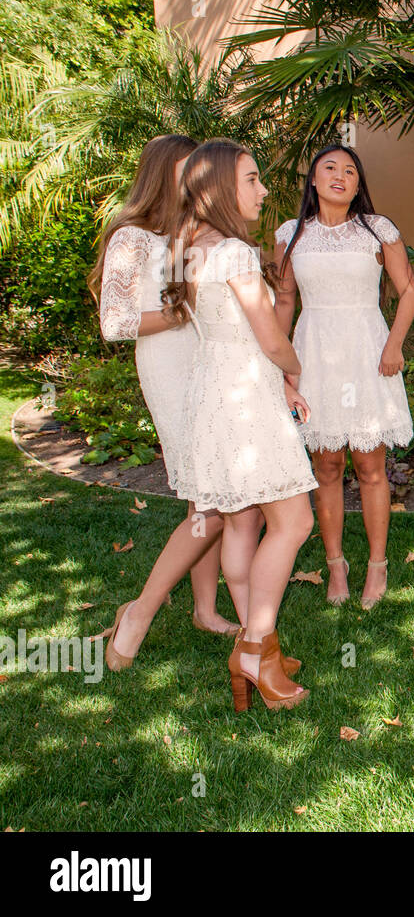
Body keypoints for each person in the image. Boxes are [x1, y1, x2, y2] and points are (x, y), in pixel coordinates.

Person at [168, 138, 318, 711]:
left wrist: (275, 377)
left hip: (215, 395)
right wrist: (294, 371)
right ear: (220, 189)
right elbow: (271, 336)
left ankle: (263, 647)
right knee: (293, 521)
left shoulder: (190, 248)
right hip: (245, 403)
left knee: (239, 522)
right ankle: (255, 647)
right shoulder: (231, 251)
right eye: (252, 180)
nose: (262, 190)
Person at [91, 133, 242, 673]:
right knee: (215, 501)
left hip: (219, 365)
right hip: (171, 367)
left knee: (207, 496)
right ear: (163, 173)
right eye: (190, 170)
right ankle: (140, 611)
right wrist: (186, 310)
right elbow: (116, 323)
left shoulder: (198, 234)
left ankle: (204, 608)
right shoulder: (131, 237)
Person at [272, 144, 414, 610]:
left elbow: (408, 289)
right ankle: (336, 565)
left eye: (350, 170)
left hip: (367, 351)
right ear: (313, 180)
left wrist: (394, 344)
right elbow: (285, 301)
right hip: (314, 353)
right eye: (329, 168)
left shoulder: (378, 229)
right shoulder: (291, 234)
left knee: (371, 467)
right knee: (326, 466)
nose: (340, 176)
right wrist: (281, 368)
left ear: (359, 184)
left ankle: (377, 567)